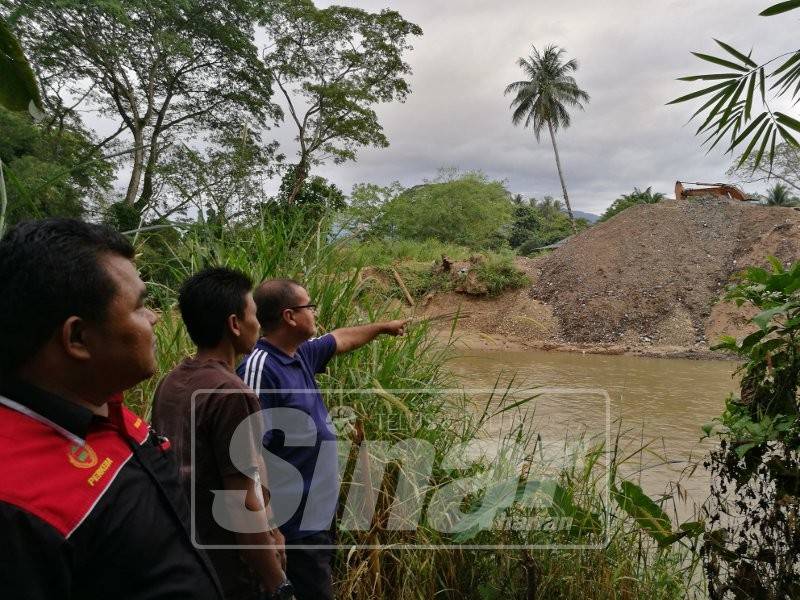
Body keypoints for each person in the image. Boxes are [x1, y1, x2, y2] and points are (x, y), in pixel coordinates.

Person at [0, 218, 224, 599]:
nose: (154, 317)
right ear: (78, 338)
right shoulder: (17, 506)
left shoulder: (105, 405)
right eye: (140, 306)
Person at [236, 278, 408, 600]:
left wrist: (382, 327)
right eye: (310, 306)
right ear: (290, 316)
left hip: (317, 518)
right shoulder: (260, 368)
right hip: (291, 527)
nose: (315, 311)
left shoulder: (299, 353)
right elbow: (249, 455)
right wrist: (269, 529)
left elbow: (341, 339)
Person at [152, 268, 293, 600]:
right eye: (254, 315)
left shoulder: (171, 381)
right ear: (234, 324)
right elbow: (242, 505)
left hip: (185, 561)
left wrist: (272, 526)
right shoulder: (232, 394)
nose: (259, 324)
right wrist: (279, 585)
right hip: (228, 573)